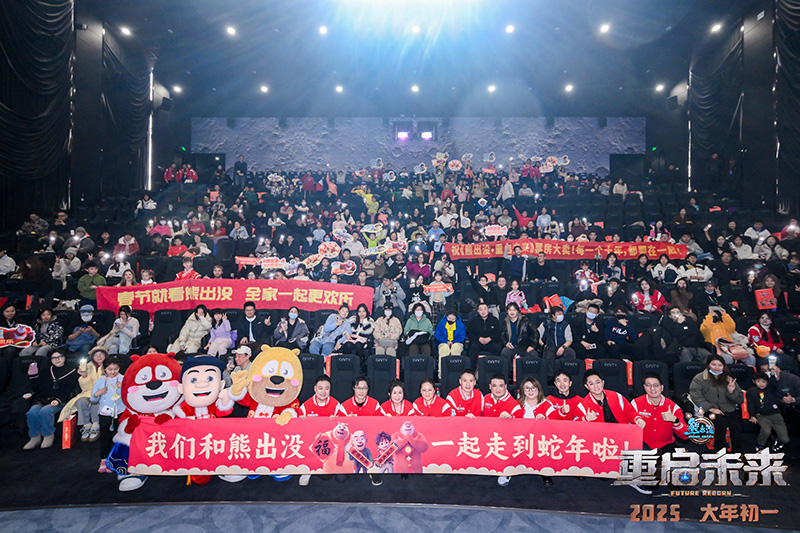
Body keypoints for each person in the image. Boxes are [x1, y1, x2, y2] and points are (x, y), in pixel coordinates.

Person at [22, 348, 79, 450]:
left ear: (65, 357)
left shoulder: (73, 370)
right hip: (44, 399)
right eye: (54, 358)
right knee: (32, 412)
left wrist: (58, 400)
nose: (57, 359)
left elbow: (71, 389)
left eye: (59, 357)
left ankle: (48, 435)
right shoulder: (46, 371)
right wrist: (33, 376)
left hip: (61, 400)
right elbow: (38, 388)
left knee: (46, 411)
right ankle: (34, 437)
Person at [689, 354, 744, 452]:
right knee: (720, 424)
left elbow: (740, 399)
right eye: (714, 364)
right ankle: (720, 452)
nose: (717, 368)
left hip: (728, 410)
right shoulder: (700, 378)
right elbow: (696, 396)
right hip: (709, 410)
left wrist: (731, 392)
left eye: (720, 365)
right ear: (708, 365)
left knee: (736, 427)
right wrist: (710, 408)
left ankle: (737, 454)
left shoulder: (728, 379)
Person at [630, 373, 687, 451]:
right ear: (644, 387)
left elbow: (685, 435)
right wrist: (636, 420)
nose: (652, 389)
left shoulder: (673, 407)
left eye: (656, 385)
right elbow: (627, 427)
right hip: (642, 447)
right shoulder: (635, 404)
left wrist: (675, 421)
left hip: (666, 447)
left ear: (662, 387)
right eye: (648, 385)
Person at [90, 356, 124, 472]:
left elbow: (130, 397)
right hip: (105, 413)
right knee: (105, 438)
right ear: (105, 369)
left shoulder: (123, 379)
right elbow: (93, 399)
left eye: (116, 369)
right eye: (110, 369)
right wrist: (97, 394)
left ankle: (117, 459)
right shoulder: (100, 381)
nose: (113, 372)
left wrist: (123, 388)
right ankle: (104, 460)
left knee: (119, 437)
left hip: (120, 412)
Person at [747, 371, 790, 453]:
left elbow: (774, 383)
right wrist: (752, 415)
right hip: (762, 415)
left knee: (785, 439)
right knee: (766, 430)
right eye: (758, 381)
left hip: (776, 415)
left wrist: (773, 375)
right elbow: (750, 404)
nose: (761, 384)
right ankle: (760, 445)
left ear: (767, 382)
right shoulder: (751, 391)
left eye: (764, 382)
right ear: (754, 381)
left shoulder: (771, 389)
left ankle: (778, 442)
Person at [537, 306, 576, 373]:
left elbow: (569, 340)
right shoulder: (546, 323)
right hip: (551, 346)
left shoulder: (565, 325)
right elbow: (537, 335)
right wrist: (542, 344)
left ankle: (569, 374)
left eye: (562, 313)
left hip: (563, 346)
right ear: (553, 316)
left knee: (571, 353)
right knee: (548, 358)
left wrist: (563, 347)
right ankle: (550, 376)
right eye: (558, 314)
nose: (561, 315)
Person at [466, 302, 503, 367]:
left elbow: (497, 333)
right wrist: (478, 338)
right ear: (478, 311)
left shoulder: (494, 320)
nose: (483, 311)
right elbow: (470, 333)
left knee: (498, 348)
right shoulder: (473, 320)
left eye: (485, 309)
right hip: (478, 342)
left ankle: (495, 368)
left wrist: (490, 338)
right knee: (472, 348)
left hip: (490, 342)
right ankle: (473, 370)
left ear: (488, 310)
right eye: (481, 309)